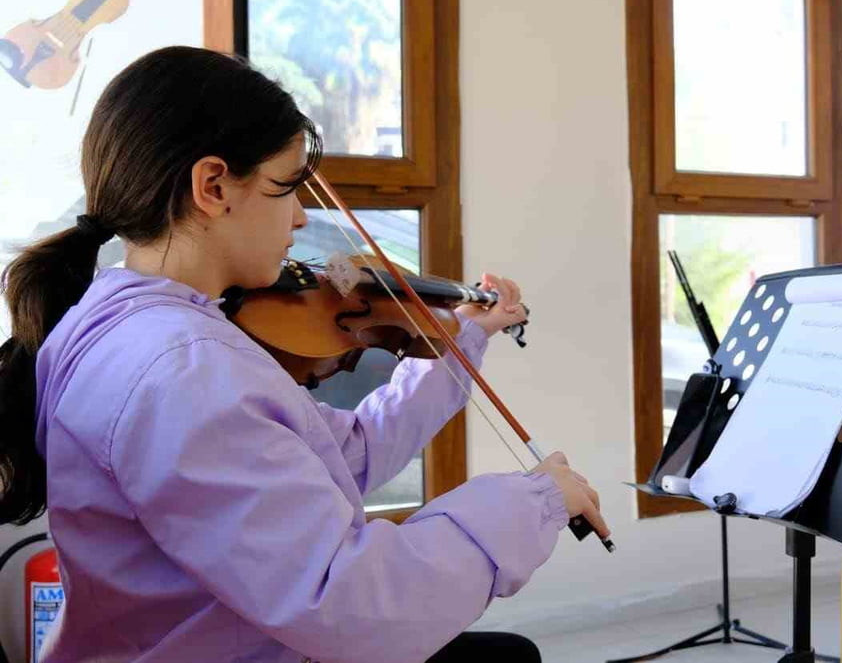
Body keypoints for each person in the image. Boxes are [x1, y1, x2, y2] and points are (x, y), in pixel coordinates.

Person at [0, 45, 608, 663]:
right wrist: (530, 501)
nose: (299, 217)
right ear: (213, 186)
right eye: (286, 187)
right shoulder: (185, 369)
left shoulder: (111, 322)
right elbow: (345, 603)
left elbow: (348, 453)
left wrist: (467, 335)